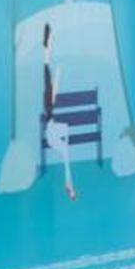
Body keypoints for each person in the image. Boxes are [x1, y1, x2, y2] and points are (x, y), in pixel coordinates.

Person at [42, 23, 77, 201]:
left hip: (52, 127)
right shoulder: (64, 150)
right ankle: (69, 185)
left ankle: (69, 184)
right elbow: (53, 95)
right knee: (47, 69)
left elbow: (53, 94)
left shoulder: (49, 103)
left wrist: (58, 76)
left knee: (48, 71)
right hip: (52, 128)